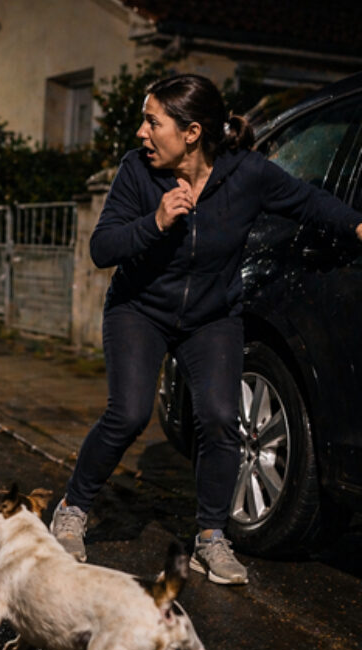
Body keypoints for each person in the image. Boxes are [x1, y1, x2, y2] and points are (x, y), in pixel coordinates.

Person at [49, 73, 362, 585]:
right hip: (140, 309)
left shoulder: (248, 173)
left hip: (212, 317)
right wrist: (154, 222)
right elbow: (101, 248)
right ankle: (73, 508)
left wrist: (356, 225)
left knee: (220, 419)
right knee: (127, 414)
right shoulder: (136, 172)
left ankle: (211, 538)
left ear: (191, 133)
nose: (142, 134)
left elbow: (307, 201)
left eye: (153, 123)